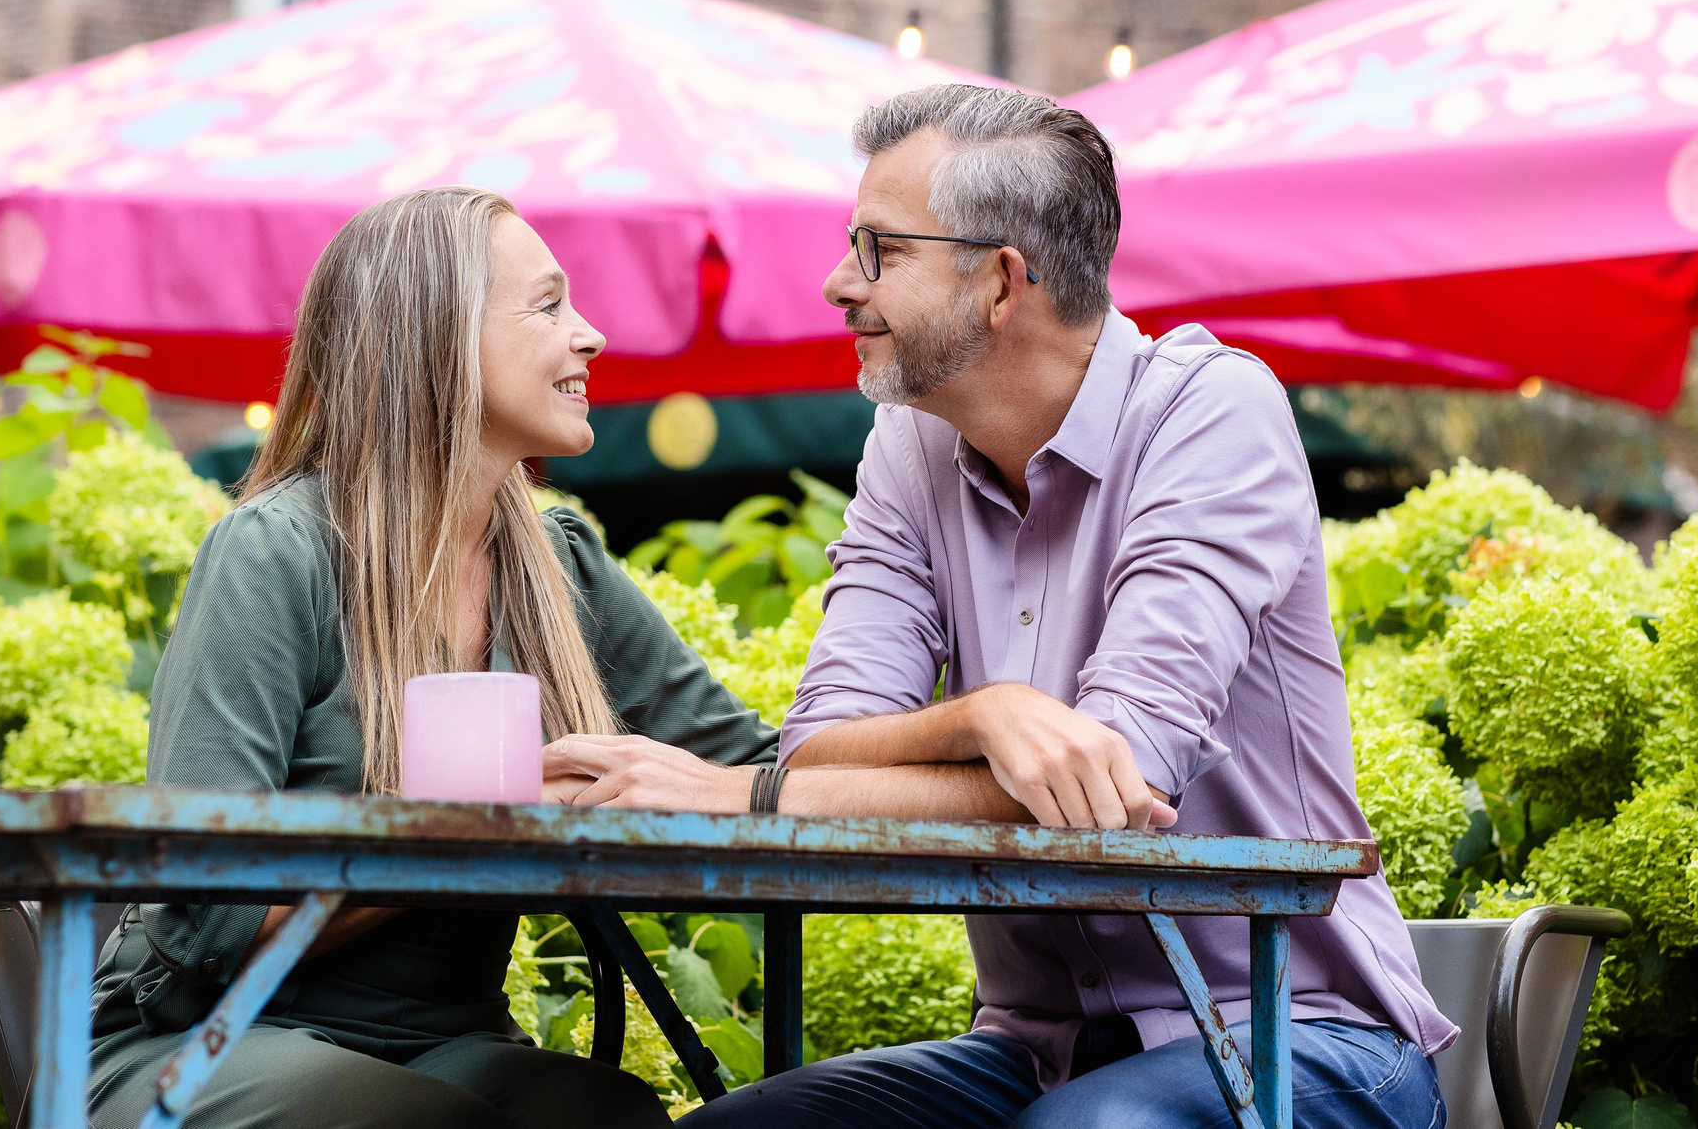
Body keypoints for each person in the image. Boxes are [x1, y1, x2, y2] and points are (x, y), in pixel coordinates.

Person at [546, 85, 1453, 1129]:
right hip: (1038, 1055)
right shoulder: (908, 445)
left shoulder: (1210, 411)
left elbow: (1117, 775)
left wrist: (742, 794)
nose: (840, 283)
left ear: (999, 282)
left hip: (1297, 1032)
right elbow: (820, 748)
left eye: (880, 249)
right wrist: (977, 717)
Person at [86, 187, 781, 1129]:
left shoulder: (558, 564)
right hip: (202, 1039)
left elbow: (759, 768)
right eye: (547, 305)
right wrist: (483, 823)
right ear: (436, 338)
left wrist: (970, 726)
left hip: (448, 1047)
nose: (591, 337)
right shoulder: (276, 552)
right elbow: (203, 924)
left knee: (610, 1118)